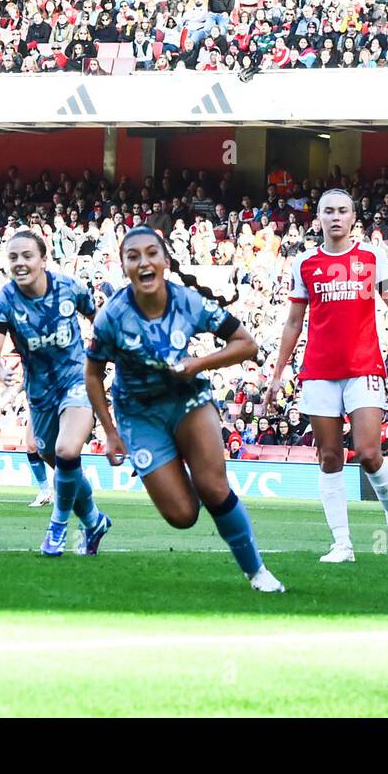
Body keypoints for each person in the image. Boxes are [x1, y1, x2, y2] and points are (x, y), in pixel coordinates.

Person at [86, 227, 284, 593]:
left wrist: (198, 364)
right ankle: (178, 467)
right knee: (182, 516)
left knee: (213, 487)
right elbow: (93, 374)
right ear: (123, 266)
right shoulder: (111, 317)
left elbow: (247, 344)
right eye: (133, 256)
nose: (143, 262)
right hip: (139, 414)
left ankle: (257, 572)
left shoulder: (188, 301)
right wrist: (110, 431)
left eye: (151, 253)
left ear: (165, 261)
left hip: (188, 400)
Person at [267, 189, 388, 564]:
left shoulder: (372, 257)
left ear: (354, 218)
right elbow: (293, 322)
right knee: (330, 456)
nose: (335, 217)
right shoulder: (303, 263)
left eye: (343, 211)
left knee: (369, 453)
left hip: (364, 366)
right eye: (328, 211)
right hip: (319, 370)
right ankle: (342, 544)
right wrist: (276, 375)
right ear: (317, 218)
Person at [0, 230, 111, 557]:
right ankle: (94, 521)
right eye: (13, 257)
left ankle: (56, 527)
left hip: (77, 381)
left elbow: (100, 320)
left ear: (43, 259)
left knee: (68, 451)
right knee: (57, 458)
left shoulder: (69, 287)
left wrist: (109, 352)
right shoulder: (4, 300)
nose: (20, 263)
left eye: (27, 256)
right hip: (39, 392)